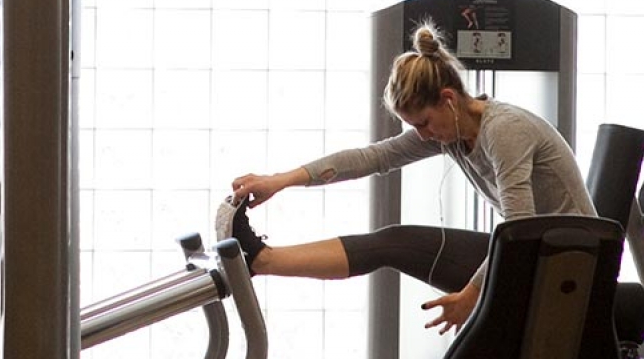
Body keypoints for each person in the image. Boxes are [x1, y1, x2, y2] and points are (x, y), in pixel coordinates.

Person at [216, 23, 594, 335]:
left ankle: (260, 261)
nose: (424, 135)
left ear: (448, 98)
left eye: (424, 123)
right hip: (535, 254)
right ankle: (260, 261)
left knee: (397, 244)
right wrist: (280, 180)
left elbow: (519, 227)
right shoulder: (455, 132)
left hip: (571, 264)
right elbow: (373, 157)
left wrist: (470, 296)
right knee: (391, 241)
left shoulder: (504, 130)